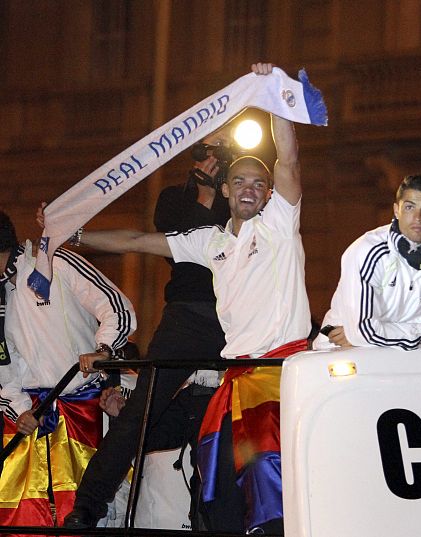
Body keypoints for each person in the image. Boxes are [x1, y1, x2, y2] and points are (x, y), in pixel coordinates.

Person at [60, 62, 309, 534]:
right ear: (226, 191)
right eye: (240, 182)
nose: (250, 189)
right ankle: (88, 510)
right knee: (212, 465)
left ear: (270, 192)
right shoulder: (210, 241)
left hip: (279, 370)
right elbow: (136, 240)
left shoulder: (278, 223)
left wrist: (274, 95)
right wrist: (73, 232)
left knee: (272, 475)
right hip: (236, 369)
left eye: (259, 183)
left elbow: (290, 160)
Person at [60, 131, 232, 531]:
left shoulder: (244, 199)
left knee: (232, 417)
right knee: (142, 412)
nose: (216, 156)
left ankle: (231, 517)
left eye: (225, 150)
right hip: (187, 315)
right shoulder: (175, 198)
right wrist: (76, 234)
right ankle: (87, 506)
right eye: (209, 148)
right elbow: (156, 239)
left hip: (236, 320)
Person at [0, 211, 136, 528]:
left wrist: (103, 349)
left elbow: (117, 306)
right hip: (34, 419)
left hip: (87, 409)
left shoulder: (55, 261)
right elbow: (5, 367)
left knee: (97, 513)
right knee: (30, 520)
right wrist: (19, 409)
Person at [313, 174, 421, 351]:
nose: (418, 217)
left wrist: (369, 335)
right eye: (409, 207)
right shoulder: (369, 251)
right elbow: (364, 331)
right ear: (396, 210)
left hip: (411, 355)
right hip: (342, 354)